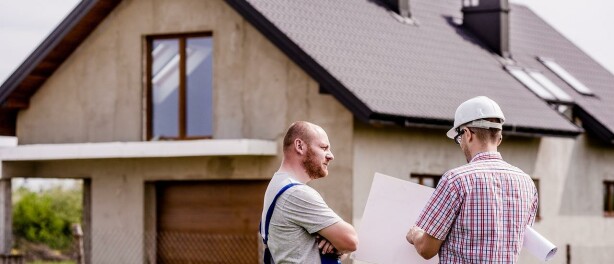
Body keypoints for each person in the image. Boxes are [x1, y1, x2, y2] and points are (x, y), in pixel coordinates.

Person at [406, 96, 539, 263]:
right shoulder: (527, 183)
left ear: (467, 134)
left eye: (459, 139)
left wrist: (415, 234)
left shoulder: (456, 180)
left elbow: (426, 249)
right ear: (499, 138)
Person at [260, 121, 358, 263]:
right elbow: (351, 240)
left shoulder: (277, 186)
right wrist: (339, 241)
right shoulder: (295, 193)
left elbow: (342, 248)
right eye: (324, 148)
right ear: (300, 146)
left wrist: (336, 244)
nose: (331, 156)